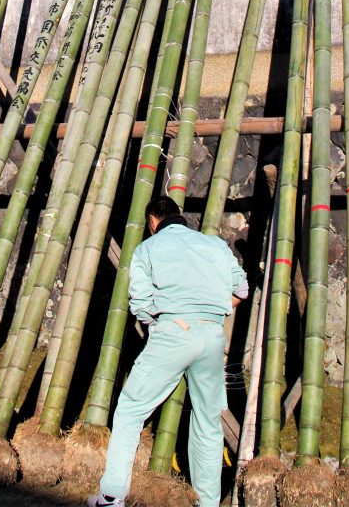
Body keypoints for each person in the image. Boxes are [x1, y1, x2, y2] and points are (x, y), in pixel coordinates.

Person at [88, 195, 248, 507]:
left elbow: (141, 305)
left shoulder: (148, 248)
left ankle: (111, 496)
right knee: (208, 422)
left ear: (152, 223)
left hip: (173, 332)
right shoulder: (214, 245)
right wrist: (215, 310)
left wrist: (166, 321)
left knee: (131, 409)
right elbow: (240, 290)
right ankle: (209, 503)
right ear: (180, 217)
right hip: (212, 334)